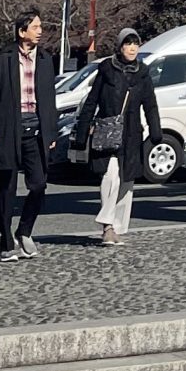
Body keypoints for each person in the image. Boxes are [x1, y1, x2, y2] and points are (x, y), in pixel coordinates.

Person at [0, 7, 60, 263]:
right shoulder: (4, 58)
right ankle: (5, 242)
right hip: (8, 128)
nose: (40, 32)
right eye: (35, 27)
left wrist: (51, 130)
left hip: (36, 129)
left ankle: (24, 230)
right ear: (21, 31)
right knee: (7, 188)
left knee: (38, 185)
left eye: (40, 27)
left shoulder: (46, 60)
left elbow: (49, 99)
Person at [71, 28, 162, 247]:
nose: (132, 48)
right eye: (128, 44)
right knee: (110, 176)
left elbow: (150, 104)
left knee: (127, 180)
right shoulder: (106, 70)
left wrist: (155, 130)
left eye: (135, 44)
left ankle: (117, 227)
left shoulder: (143, 73)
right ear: (120, 47)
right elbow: (91, 101)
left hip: (132, 134)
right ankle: (107, 226)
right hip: (108, 132)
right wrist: (82, 132)